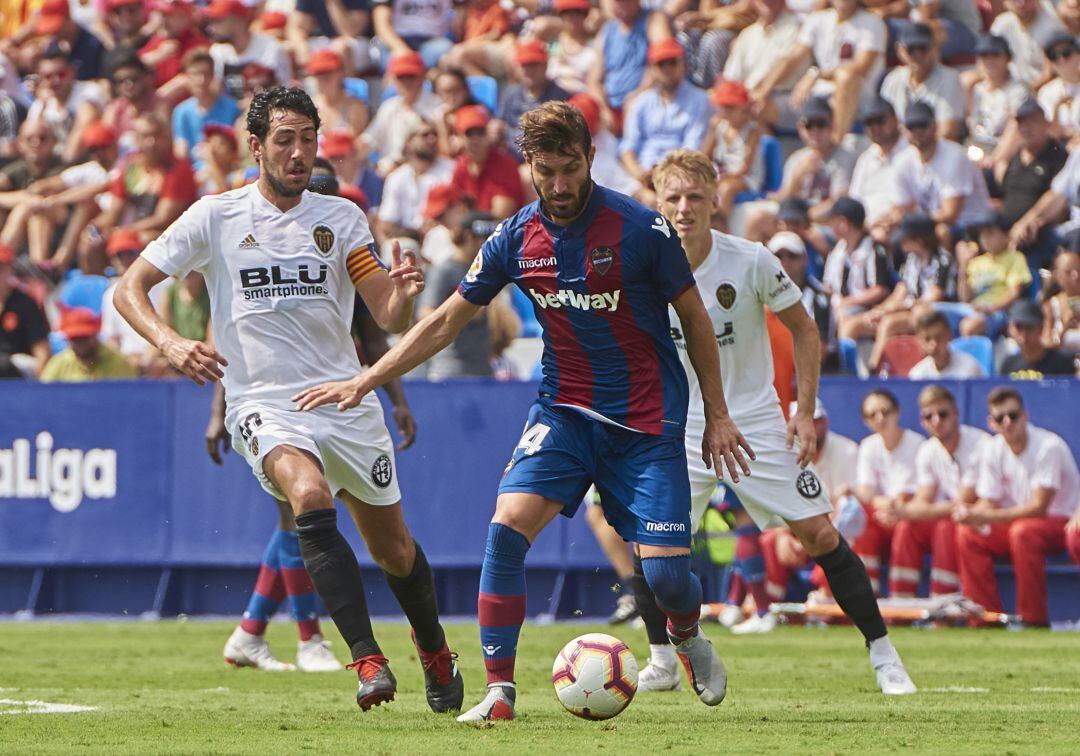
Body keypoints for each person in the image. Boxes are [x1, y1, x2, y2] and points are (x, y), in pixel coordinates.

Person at [293, 102, 757, 720]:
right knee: (505, 527)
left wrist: (718, 414)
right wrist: (368, 378)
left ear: (591, 158)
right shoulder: (516, 236)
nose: (559, 185)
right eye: (546, 171)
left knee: (670, 580)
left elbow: (696, 320)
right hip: (563, 412)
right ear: (529, 167)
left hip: (646, 423)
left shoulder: (642, 230)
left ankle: (687, 635)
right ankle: (499, 692)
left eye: (570, 169)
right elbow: (444, 322)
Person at [113, 87, 463, 713]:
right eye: (285, 139)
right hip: (264, 403)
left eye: (308, 138)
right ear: (256, 147)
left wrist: (404, 293)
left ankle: (435, 651)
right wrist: (169, 341)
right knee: (306, 494)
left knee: (395, 550)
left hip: (345, 398)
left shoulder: (343, 218)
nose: (299, 152)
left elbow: (381, 308)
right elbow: (129, 287)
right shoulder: (214, 216)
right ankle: (367, 660)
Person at [626, 150, 912, 687]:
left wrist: (803, 411)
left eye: (695, 197)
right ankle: (662, 661)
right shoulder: (639, 269)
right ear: (657, 204)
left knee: (820, 535)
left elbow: (806, 330)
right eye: (673, 198)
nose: (684, 208)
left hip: (754, 422)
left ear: (716, 201)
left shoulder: (751, 260)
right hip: (680, 427)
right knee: (652, 543)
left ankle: (883, 653)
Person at [956, 386, 1080, 626]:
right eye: (1000, 418)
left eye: (1013, 415)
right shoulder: (992, 448)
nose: (1007, 423)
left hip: (1061, 521)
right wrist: (972, 514)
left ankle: (1033, 619)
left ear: (1025, 415)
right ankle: (985, 619)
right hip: (1019, 523)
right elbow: (989, 500)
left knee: (1023, 532)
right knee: (968, 532)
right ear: (991, 423)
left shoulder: (1048, 446)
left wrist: (987, 515)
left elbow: (1039, 507)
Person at [888, 385, 989, 598]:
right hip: (962, 516)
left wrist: (904, 511)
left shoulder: (980, 444)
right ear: (922, 421)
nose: (937, 420)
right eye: (929, 416)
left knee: (945, 527)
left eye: (943, 414)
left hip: (986, 517)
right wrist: (898, 511)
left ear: (956, 414)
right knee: (907, 528)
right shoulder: (927, 449)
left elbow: (963, 502)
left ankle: (944, 604)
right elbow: (924, 496)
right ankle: (900, 604)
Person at [760, 398, 859, 605]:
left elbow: (846, 509)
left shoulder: (846, 450)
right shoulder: (781, 456)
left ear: (825, 423)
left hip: (830, 531)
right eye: (800, 424)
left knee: (842, 536)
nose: (809, 429)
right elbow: (775, 506)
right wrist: (781, 535)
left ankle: (832, 601)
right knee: (769, 539)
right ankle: (769, 608)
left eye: (815, 421)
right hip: (801, 532)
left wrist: (807, 541)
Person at [756, 0, 887, 142]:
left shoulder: (872, 23)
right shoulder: (818, 19)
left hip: (856, 100)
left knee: (845, 77)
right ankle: (771, 158)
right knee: (756, 107)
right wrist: (762, 92)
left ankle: (835, 144)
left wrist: (815, 74)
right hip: (816, 97)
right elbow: (792, 58)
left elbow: (860, 67)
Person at [856, 212, 957, 374]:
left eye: (906, 239)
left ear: (919, 240)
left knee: (912, 315)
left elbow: (934, 297)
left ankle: (916, 361)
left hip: (941, 314)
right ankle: (871, 368)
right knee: (867, 322)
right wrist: (881, 309)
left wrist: (897, 308)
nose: (901, 243)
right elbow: (900, 291)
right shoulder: (911, 261)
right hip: (912, 310)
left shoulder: (944, 261)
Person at [890, 102, 993, 249]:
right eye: (912, 126)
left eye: (923, 125)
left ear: (935, 126)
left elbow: (950, 214)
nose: (918, 131)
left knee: (941, 232)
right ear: (903, 130)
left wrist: (911, 219)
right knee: (888, 235)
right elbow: (899, 208)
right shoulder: (902, 161)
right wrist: (897, 219)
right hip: (930, 223)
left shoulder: (954, 156)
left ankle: (944, 272)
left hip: (971, 224)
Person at [853, 389, 923, 595]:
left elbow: (909, 495)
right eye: (872, 415)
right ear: (866, 421)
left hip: (909, 515)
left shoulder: (917, 443)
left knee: (906, 527)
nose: (880, 418)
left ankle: (902, 598)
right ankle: (865, 597)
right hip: (882, 514)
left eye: (885, 411)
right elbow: (866, 491)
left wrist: (890, 506)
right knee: (859, 521)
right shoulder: (868, 446)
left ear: (897, 412)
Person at [619, 39, 712, 194]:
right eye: (661, 64)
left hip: (681, 173)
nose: (667, 69)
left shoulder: (699, 100)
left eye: (672, 62)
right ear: (652, 69)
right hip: (643, 174)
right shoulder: (642, 101)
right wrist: (638, 173)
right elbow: (628, 146)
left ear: (683, 65)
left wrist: (662, 173)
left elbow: (693, 147)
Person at [949, 212, 1033, 338]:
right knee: (926, 315)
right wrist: (963, 266)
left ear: (1006, 235)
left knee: (969, 327)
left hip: (999, 312)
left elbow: (1014, 294)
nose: (985, 238)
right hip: (972, 309)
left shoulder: (1015, 258)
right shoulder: (975, 262)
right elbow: (965, 298)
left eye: (990, 233)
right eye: (982, 234)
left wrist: (990, 308)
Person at [879, 23, 965, 141]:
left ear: (934, 48)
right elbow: (884, 126)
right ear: (900, 50)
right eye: (911, 49)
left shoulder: (949, 78)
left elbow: (948, 132)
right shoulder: (893, 79)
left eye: (923, 48)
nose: (917, 54)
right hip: (898, 151)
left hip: (934, 151)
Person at [448, 105, 524, 219]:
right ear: (459, 137)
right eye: (469, 134)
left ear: (488, 134)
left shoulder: (506, 165)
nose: (475, 140)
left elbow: (500, 217)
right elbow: (453, 209)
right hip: (470, 233)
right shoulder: (461, 166)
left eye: (480, 132)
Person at [849, 96, 908, 233]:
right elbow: (855, 202)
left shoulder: (912, 153)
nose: (875, 127)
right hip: (866, 228)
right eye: (869, 122)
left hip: (900, 226)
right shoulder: (865, 159)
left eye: (880, 121)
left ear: (896, 119)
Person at [41, 307, 138, 382]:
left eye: (84, 337)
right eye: (75, 338)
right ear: (68, 339)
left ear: (95, 334)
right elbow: (43, 395)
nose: (80, 343)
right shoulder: (59, 364)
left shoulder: (118, 362)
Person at [0, 243, 50, 377]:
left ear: (10, 270)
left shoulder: (25, 303)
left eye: (0, 269)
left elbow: (41, 350)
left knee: (4, 364)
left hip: (19, 366)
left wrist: (37, 389)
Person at [1000, 300, 1076, 378]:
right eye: (1019, 328)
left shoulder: (1061, 364)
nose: (1024, 336)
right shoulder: (1009, 364)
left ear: (1041, 328)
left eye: (1029, 328)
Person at [908, 310, 987, 379]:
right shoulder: (917, 375)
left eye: (939, 337)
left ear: (949, 336)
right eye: (927, 339)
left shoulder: (969, 369)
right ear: (919, 341)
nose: (933, 344)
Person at [1044, 249, 1080, 354]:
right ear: (1058, 276)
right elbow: (1046, 345)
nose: (1076, 276)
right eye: (1068, 272)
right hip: (1062, 366)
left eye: (1079, 270)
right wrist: (1065, 328)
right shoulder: (1051, 305)